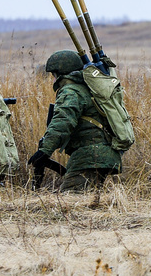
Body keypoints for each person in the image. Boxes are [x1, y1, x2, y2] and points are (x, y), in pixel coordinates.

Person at [28, 50, 122, 191]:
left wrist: (44, 152)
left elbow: (62, 123)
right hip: (100, 155)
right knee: (89, 201)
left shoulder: (71, 91)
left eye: (53, 75)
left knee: (70, 201)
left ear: (60, 73)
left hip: (90, 156)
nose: (53, 80)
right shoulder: (87, 87)